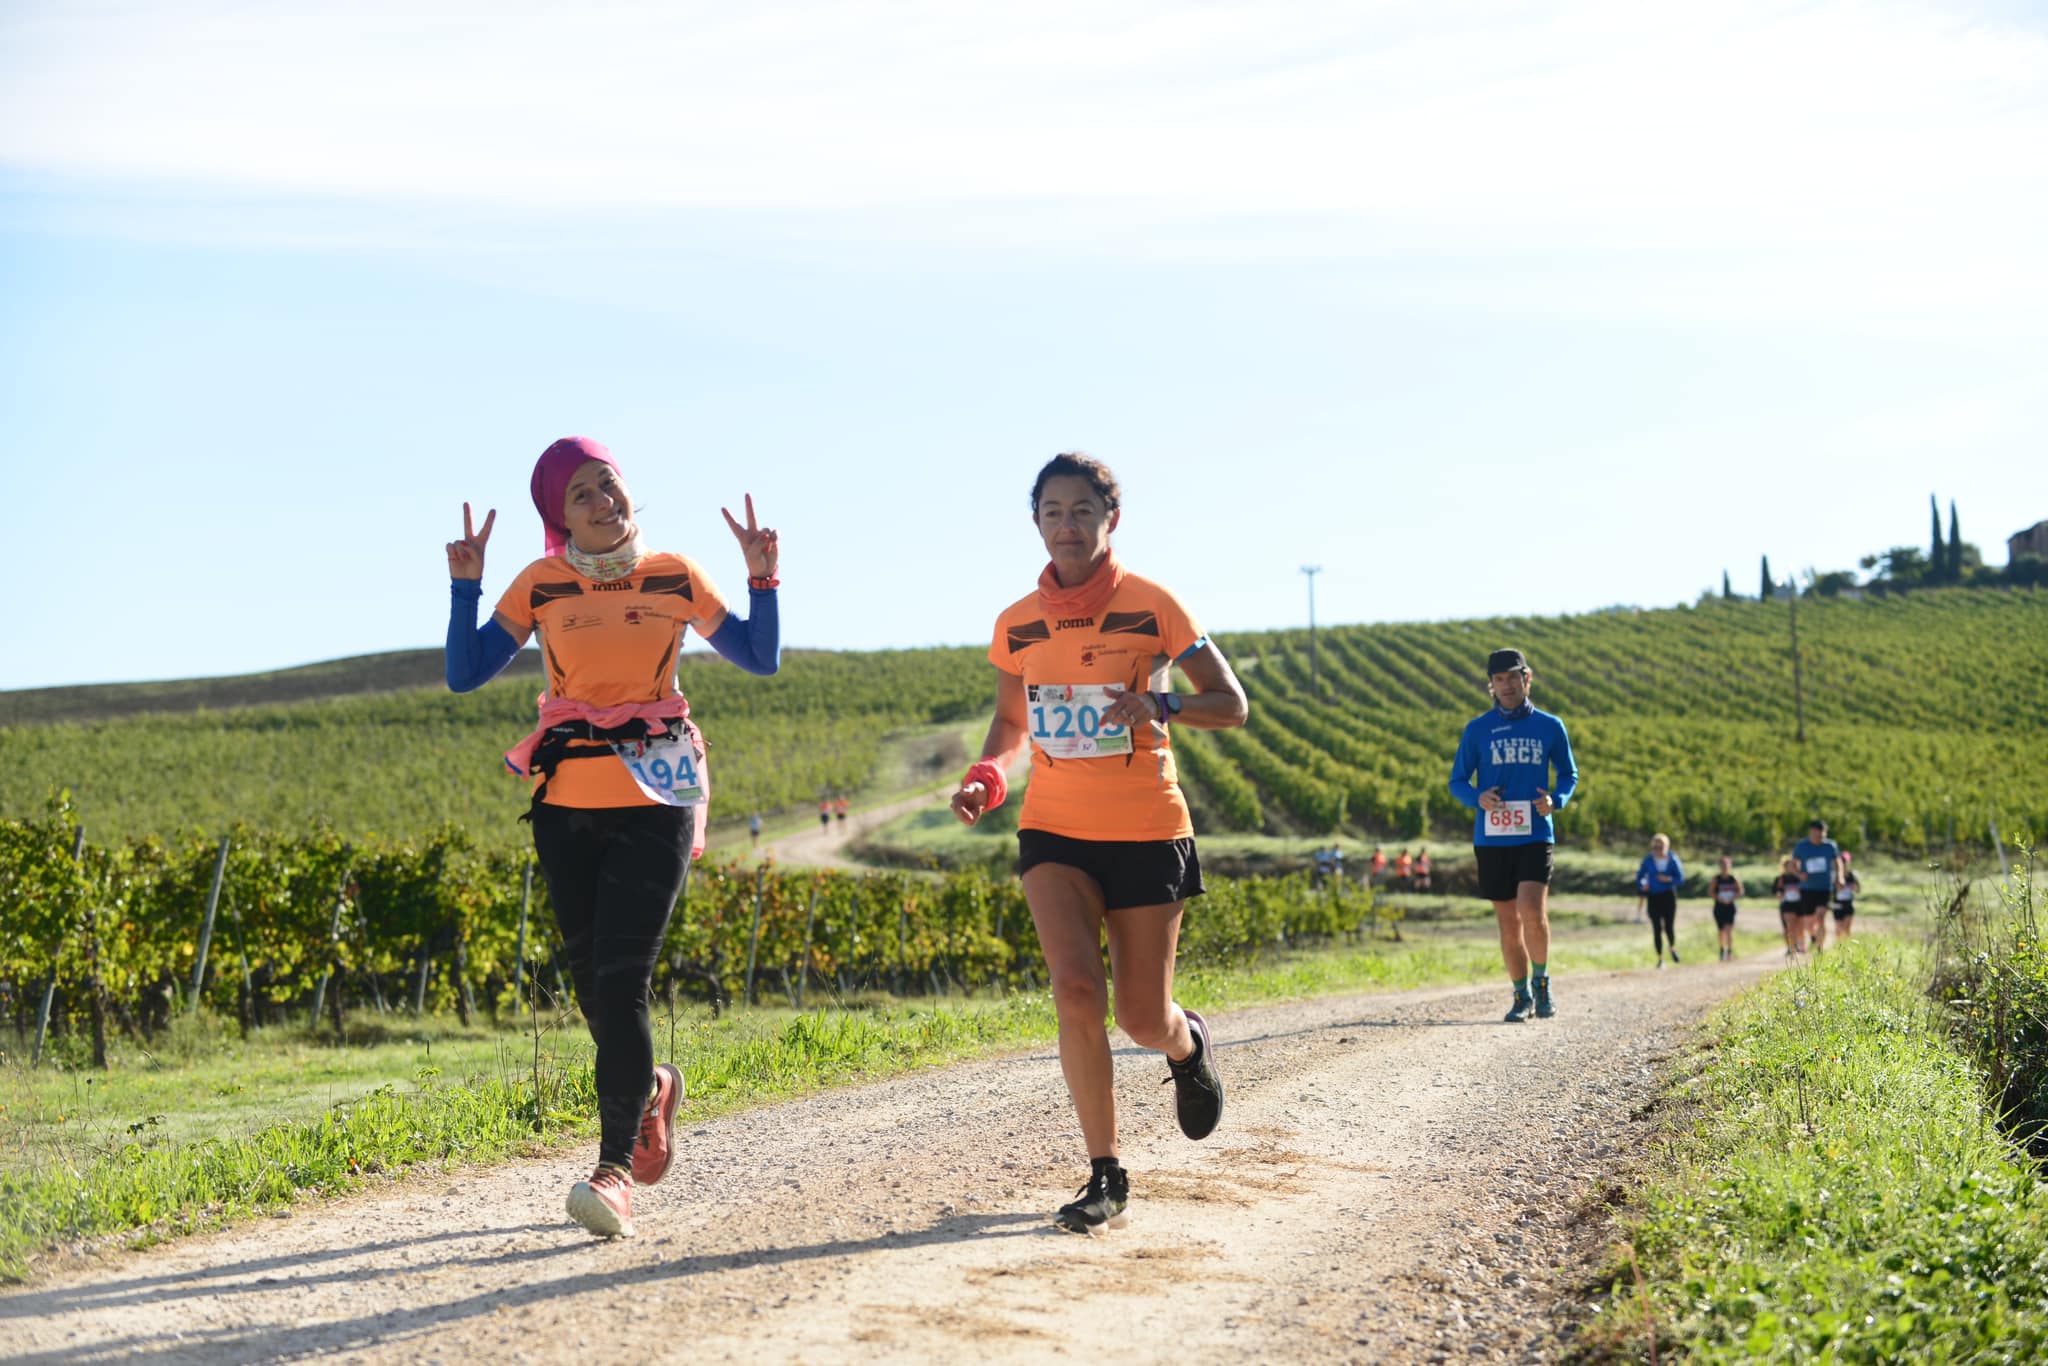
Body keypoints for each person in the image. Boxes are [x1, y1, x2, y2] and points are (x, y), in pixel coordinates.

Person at [443, 435, 781, 1239]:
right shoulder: (542, 584)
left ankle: (613, 1171)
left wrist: (762, 577)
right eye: (582, 494)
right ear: (559, 519)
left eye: (610, 484)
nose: (604, 500)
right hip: (564, 803)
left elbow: (759, 657)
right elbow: (465, 672)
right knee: (593, 985)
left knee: (623, 981)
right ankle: (656, 1087)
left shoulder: (674, 575)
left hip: (656, 799)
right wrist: (466, 589)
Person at [950, 451, 1248, 1235]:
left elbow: (1231, 703)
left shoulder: (1155, 606)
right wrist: (988, 774)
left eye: (1083, 510)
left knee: (1141, 1019)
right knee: (1076, 990)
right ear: (1036, 522)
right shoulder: (1016, 623)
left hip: (1147, 826)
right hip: (1053, 826)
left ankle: (1186, 1047)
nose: (1067, 525)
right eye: (1052, 511)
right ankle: (1105, 1172)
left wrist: (1157, 703)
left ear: (1110, 518)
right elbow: (1013, 723)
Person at [1449, 648, 1580, 1023]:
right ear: (1490, 685)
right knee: (1508, 922)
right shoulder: (1477, 730)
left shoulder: (1550, 726)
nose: (1506, 685)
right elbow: (1457, 781)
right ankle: (1520, 995)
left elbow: (1569, 774)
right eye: (1499, 679)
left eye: (1513, 677)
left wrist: (1557, 800)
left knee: (1532, 911)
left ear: (1528, 678)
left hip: (1535, 831)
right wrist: (1478, 797)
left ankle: (1542, 984)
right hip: (1492, 837)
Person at [1791, 819, 1843, 958]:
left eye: (1822, 835)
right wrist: (1799, 874)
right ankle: (1814, 937)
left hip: (1824, 888)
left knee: (1821, 917)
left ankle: (1820, 949)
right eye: (1816, 835)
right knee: (1808, 923)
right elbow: (1792, 864)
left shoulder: (1830, 846)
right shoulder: (1802, 846)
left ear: (1825, 833)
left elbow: (1838, 862)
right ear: (1811, 832)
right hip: (1807, 888)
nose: (1819, 838)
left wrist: (1840, 877)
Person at [1635, 834, 1684, 968]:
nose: (1658, 848)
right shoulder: (1648, 860)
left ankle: (1672, 947)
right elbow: (1640, 876)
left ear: (1666, 846)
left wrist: (1668, 879)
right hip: (1653, 896)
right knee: (1656, 927)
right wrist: (1642, 885)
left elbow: (1680, 878)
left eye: (1661, 845)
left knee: (1669, 926)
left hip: (1668, 896)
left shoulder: (1673, 859)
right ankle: (1660, 959)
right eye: (1656, 845)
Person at [1709, 855, 1743, 962]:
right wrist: (1719, 898)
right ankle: (1722, 949)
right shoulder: (1716, 879)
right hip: (1719, 907)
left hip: (1730, 907)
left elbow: (1741, 891)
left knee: (1729, 930)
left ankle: (1729, 951)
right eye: (1722, 864)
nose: (1724, 867)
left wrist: (1732, 897)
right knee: (1721, 930)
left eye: (1726, 864)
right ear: (1719, 866)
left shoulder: (1733, 878)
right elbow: (1710, 892)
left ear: (1730, 865)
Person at [1771, 856, 1807, 960]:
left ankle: (1800, 945)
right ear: (1785, 866)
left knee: (1799, 928)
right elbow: (1775, 890)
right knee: (1789, 926)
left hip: (1800, 905)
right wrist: (1778, 894)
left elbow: (1806, 889)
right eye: (1789, 865)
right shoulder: (1781, 878)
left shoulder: (1799, 877)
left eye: (1793, 865)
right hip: (1787, 905)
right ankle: (1791, 948)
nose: (1792, 867)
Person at [1831, 851, 1861, 940]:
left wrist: (1854, 887)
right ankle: (1839, 947)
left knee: (1847, 928)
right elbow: (1830, 891)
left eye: (1844, 863)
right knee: (1838, 928)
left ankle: (1847, 946)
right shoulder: (1834, 876)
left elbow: (1858, 890)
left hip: (1848, 904)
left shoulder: (1853, 875)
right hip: (1837, 905)